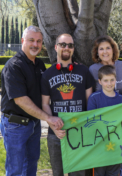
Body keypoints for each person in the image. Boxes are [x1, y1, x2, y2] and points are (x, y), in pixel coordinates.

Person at [0, 26, 61, 176]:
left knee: (31, 165)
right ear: (22, 41)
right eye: (31, 40)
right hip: (15, 126)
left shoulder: (39, 65)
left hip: (34, 124)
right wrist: (48, 118)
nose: (35, 44)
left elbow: (45, 93)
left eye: (39, 41)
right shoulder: (14, 66)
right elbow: (21, 100)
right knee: (16, 169)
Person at [41, 33, 95, 176]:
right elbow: (45, 104)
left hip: (79, 133)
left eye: (70, 45)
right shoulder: (47, 74)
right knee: (57, 173)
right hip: (56, 134)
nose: (66, 48)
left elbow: (90, 102)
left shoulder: (84, 71)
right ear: (56, 47)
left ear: (73, 49)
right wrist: (52, 124)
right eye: (63, 44)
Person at [89, 35, 122, 176]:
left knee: (117, 164)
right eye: (101, 49)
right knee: (101, 165)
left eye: (108, 48)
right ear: (97, 52)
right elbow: (91, 95)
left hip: (120, 125)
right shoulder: (93, 69)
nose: (105, 51)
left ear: (113, 50)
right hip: (101, 128)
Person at [87, 65, 122, 176]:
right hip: (99, 148)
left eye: (112, 80)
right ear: (99, 81)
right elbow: (91, 122)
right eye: (105, 80)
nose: (109, 83)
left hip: (116, 148)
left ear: (116, 80)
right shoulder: (94, 98)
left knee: (114, 173)